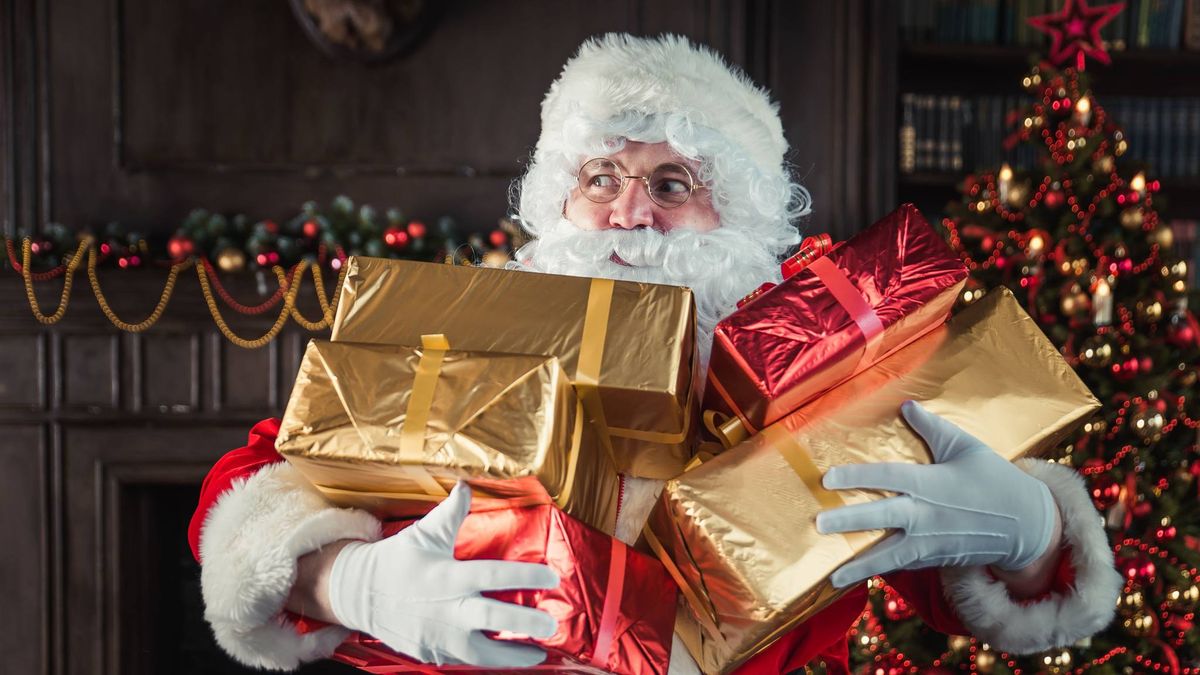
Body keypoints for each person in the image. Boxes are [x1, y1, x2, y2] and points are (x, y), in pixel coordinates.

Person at [188, 33, 1121, 674]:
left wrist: (1033, 530)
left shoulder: (823, 375)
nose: (631, 214)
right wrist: (349, 581)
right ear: (562, 200)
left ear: (741, 217)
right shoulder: (465, 334)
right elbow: (251, 482)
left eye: (671, 182)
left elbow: (967, 591)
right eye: (602, 178)